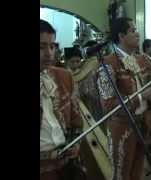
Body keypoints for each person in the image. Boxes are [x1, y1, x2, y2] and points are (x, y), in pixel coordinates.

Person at [96, 17, 151, 180]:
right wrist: (141, 96)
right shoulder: (108, 64)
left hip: (143, 124)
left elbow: (148, 87)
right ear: (121, 36)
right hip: (122, 129)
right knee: (122, 176)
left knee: (137, 174)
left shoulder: (141, 59)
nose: (138, 33)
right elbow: (108, 106)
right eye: (132, 30)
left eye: (136, 29)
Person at [40, 19, 84, 180]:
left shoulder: (64, 77)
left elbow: (76, 120)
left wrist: (75, 143)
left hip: (66, 166)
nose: (49, 53)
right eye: (41, 47)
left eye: (52, 46)